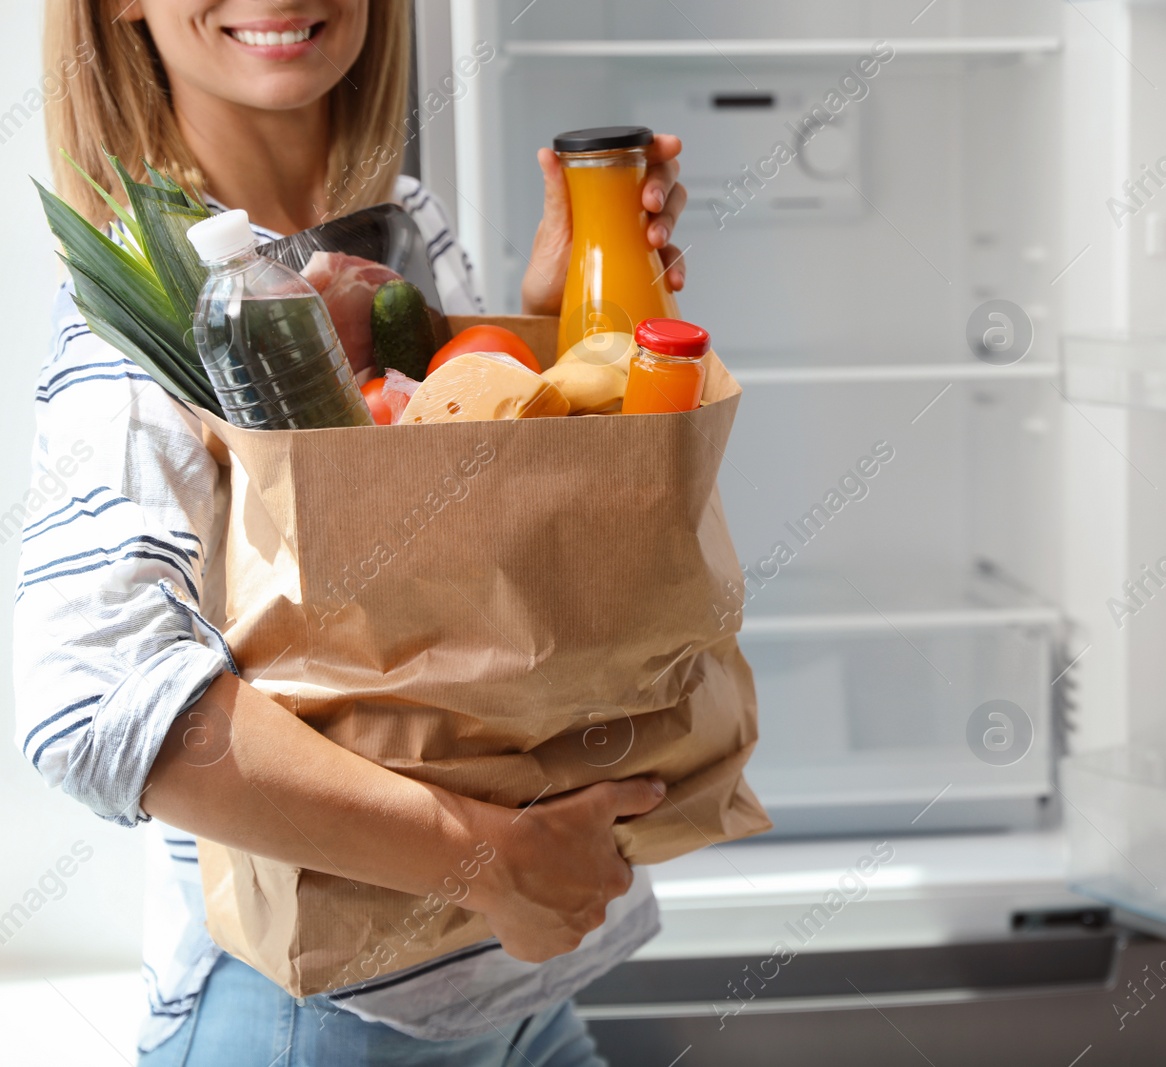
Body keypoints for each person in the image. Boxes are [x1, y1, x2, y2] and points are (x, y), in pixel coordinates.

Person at [19, 3, 690, 1063]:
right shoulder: (147, 307)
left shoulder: (401, 221)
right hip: (317, 1007)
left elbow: (470, 585)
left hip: (515, 986)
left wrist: (547, 330)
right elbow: (89, 704)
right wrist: (490, 858)